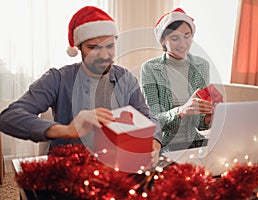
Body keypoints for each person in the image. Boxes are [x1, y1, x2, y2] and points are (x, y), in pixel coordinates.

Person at [0, 6, 162, 154]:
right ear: (79, 48)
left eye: (109, 46)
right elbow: (9, 117)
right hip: (70, 167)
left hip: (116, 165)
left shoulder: (126, 79)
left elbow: (147, 118)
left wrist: (154, 141)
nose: (105, 55)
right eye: (93, 47)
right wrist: (66, 130)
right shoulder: (58, 78)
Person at [140, 8, 214, 152]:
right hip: (164, 146)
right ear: (162, 41)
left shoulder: (201, 65)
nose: (183, 44)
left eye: (187, 36)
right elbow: (153, 121)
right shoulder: (149, 69)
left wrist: (208, 118)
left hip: (194, 143)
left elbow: (199, 123)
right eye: (175, 38)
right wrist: (181, 111)